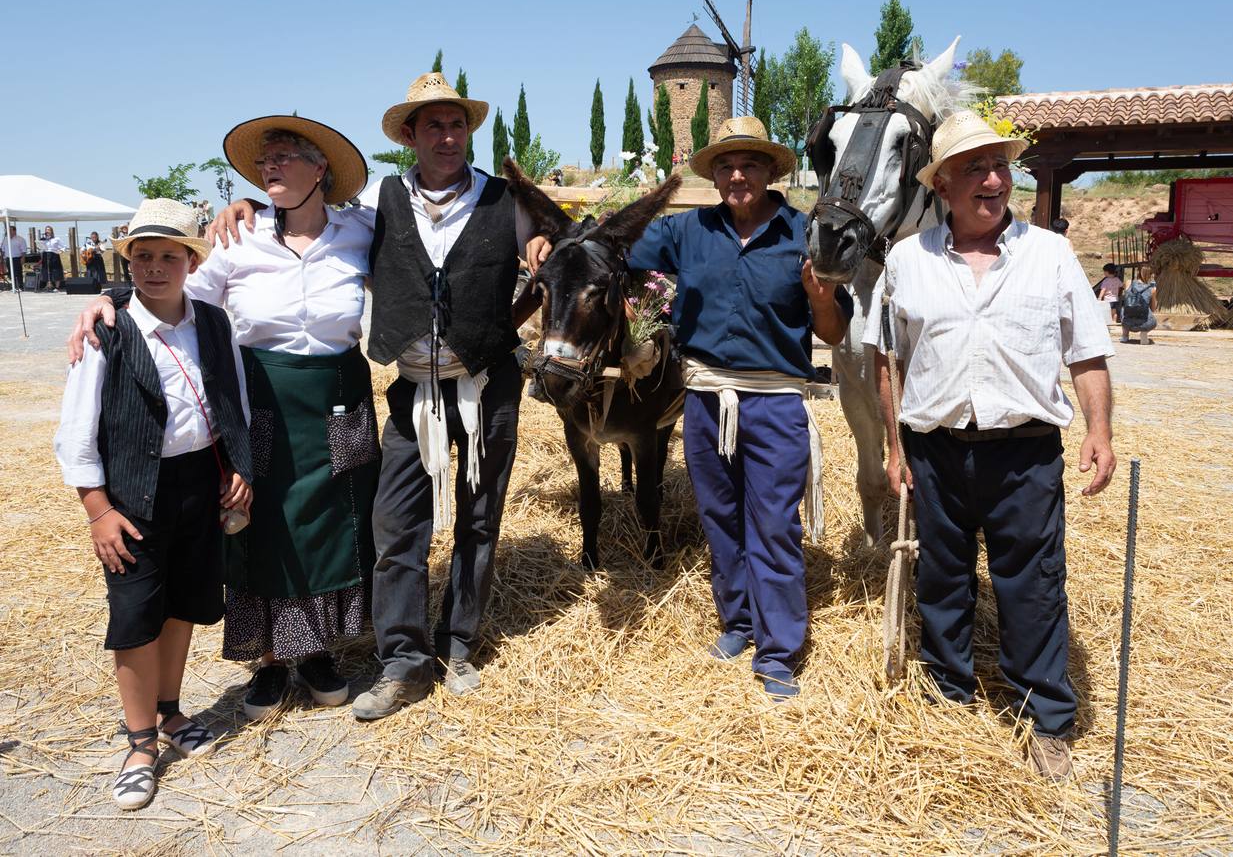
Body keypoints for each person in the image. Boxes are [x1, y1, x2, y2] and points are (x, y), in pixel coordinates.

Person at [203, 74, 540, 720]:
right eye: (432, 126)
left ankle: (460, 646)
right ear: (408, 136)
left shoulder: (508, 201)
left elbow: (555, 240)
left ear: (467, 131)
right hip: (411, 390)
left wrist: (540, 243)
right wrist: (240, 208)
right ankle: (401, 663)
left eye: (455, 124)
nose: (446, 137)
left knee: (477, 522)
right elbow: (293, 225)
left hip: (487, 388)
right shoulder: (376, 209)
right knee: (393, 528)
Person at [533, 117, 853, 701]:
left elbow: (833, 331)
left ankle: (779, 649)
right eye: (727, 165)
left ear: (771, 171)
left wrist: (821, 297)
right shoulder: (686, 232)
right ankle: (737, 625)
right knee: (721, 521)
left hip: (775, 402)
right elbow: (605, 250)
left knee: (775, 527)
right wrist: (552, 243)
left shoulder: (804, 235)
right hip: (705, 398)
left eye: (751, 164)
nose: (738, 175)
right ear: (715, 173)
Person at [70, 116, 377, 721]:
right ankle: (267, 659)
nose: (270, 167)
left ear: (321, 171)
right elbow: (173, 289)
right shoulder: (239, 236)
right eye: (265, 160)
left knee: (330, 523)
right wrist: (112, 299)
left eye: (286, 156)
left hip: (339, 395)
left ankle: (315, 651)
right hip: (256, 395)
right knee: (258, 523)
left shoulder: (361, 230)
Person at [863, 110, 1117, 780]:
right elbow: (886, 362)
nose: (992, 179)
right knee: (940, 581)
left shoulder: (1049, 254)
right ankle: (948, 694)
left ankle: (1045, 718)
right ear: (941, 186)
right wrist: (894, 448)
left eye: (999, 166)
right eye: (973, 168)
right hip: (934, 452)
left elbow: (1087, 352)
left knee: (1031, 587)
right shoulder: (904, 260)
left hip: (1024, 454)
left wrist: (1098, 431)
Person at [54, 199, 252, 809]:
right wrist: (98, 510)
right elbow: (77, 431)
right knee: (137, 613)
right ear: (128, 261)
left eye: (171, 255)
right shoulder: (106, 330)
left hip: (200, 481)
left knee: (185, 601)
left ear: (193, 262)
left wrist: (239, 466)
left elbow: (231, 396)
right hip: (134, 493)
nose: (157, 267)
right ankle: (139, 743)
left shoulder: (214, 323)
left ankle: (169, 710)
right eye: (144, 256)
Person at [1120, 264, 1158, 344]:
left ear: (1138, 272)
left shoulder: (1128, 283)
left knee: (1125, 309)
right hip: (1144, 324)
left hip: (1127, 323)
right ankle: (1144, 333)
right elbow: (1153, 308)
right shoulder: (1152, 289)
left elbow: (1125, 296)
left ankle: (1125, 336)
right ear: (1151, 275)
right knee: (1152, 318)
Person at [39, 225, 66, 291]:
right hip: (45, 254)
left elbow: (64, 246)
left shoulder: (56, 239)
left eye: (49, 230)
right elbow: (40, 247)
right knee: (46, 270)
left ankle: (57, 287)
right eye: (46, 230)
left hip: (54, 255)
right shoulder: (43, 239)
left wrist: (60, 251)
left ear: (51, 231)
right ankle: (48, 285)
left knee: (56, 270)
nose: (47, 231)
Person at [3, 225, 28, 289]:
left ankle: (20, 286)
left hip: (17, 258)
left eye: (10, 230)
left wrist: (23, 258)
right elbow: (3, 250)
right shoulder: (5, 239)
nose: (8, 231)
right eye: (8, 230)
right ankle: (13, 286)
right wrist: (3, 259)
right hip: (8, 258)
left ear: (14, 231)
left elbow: (24, 250)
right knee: (10, 273)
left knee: (18, 273)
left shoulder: (20, 239)